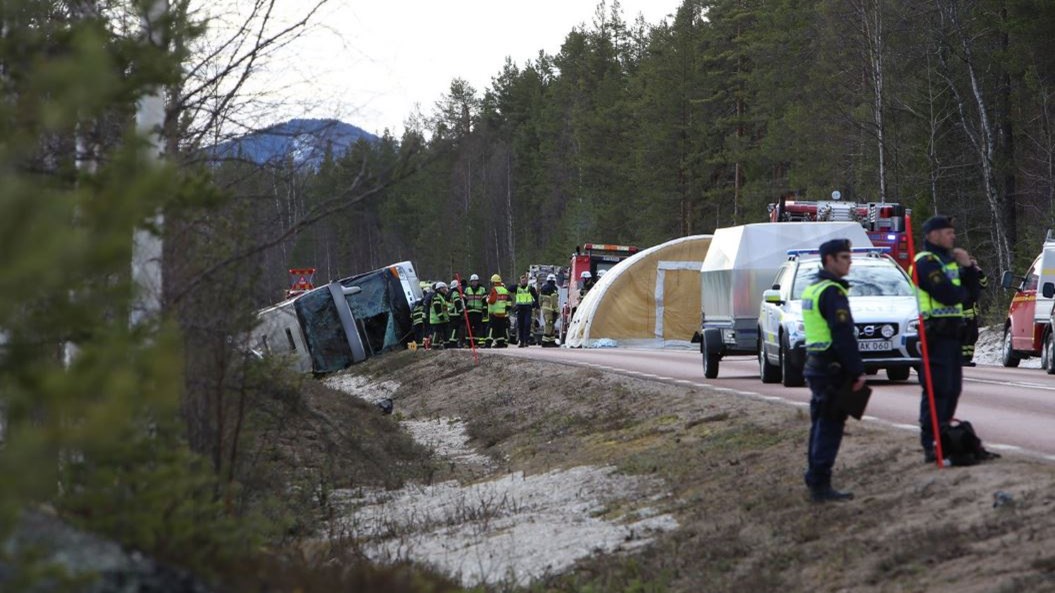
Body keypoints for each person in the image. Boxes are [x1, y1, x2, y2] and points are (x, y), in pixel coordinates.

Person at [911, 215, 981, 463]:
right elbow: (948, 295)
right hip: (934, 334)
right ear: (933, 235)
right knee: (936, 390)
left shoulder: (950, 262)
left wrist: (968, 269)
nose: (953, 236)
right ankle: (930, 441)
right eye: (948, 232)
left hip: (953, 335)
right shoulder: (924, 263)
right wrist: (961, 291)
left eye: (953, 232)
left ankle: (943, 436)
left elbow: (971, 294)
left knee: (953, 389)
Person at [801, 238, 866, 502]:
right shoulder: (832, 292)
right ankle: (820, 485)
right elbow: (842, 335)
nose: (849, 262)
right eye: (844, 257)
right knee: (829, 426)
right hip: (831, 368)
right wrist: (857, 370)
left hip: (816, 365)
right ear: (829, 259)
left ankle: (815, 478)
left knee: (820, 423)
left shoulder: (813, 289)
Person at [961, 261, 988, 366]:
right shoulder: (962, 274)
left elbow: (984, 284)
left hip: (972, 312)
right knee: (965, 336)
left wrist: (980, 272)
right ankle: (962, 359)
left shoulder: (975, 275)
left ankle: (968, 358)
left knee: (973, 336)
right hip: (963, 312)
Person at [513, 273, 540, 347]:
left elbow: (536, 297)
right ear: (520, 281)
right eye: (522, 281)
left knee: (527, 324)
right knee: (520, 325)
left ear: (527, 281)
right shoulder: (517, 288)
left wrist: (536, 306)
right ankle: (521, 341)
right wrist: (516, 285)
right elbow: (509, 288)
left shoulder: (530, 288)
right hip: (520, 309)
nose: (523, 282)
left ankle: (526, 340)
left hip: (527, 309)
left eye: (525, 281)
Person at [463, 273, 488, 348]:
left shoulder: (482, 289)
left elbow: (484, 302)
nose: (474, 282)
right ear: (470, 282)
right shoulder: (467, 289)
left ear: (478, 281)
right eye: (473, 281)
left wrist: (485, 312)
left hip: (478, 311)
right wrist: (464, 310)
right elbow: (464, 301)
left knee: (478, 328)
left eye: (475, 281)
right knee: (469, 328)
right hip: (469, 312)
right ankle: (468, 343)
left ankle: (476, 343)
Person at [487, 274, 511, 348]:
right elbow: (508, 301)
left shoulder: (494, 289)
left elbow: (492, 301)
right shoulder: (505, 290)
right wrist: (505, 309)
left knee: (491, 328)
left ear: (494, 282)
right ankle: (500, 343)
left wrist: (487, 299)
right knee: (501, 328)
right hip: (502, 313)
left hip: (494, 313)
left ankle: (488, 343)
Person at [540, 273, 560, 347]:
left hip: (544, 309)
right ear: (554, 281)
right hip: (551, 309)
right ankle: (545, 341)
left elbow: (540, 299)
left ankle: (551, 341)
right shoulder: (554, 289)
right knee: (549, 324)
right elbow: (554, 301)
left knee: (550, 324)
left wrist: (541, 306)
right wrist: (557, 310)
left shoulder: (543, 288)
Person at [429, 281, 450, 349]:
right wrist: (441, 317)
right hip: (437, 320)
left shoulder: (442, 296)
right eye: (443, 288)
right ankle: (434, 346)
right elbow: (437, 308)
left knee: (445, 333)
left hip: (442, 319)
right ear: (439, 289)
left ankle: (447, 346)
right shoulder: (436, 297)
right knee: (437, 333)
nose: (445, 290)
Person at [447, 279, 465, 348]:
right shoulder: (455, 293)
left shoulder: (449, 293)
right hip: (455, 314)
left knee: (452, 329)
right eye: (459, 286)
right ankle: (453, 343)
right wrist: (461, 312)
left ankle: (453, 342)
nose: (460, 287)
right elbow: (457, 303)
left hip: (451, 314)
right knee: (455, 329)